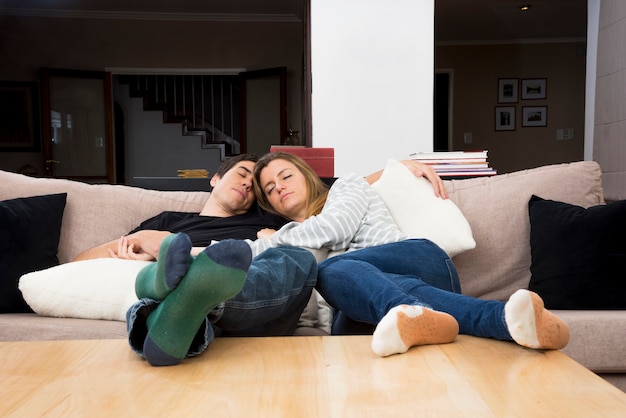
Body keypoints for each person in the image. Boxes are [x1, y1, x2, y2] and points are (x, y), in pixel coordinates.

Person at [251, 151, 570, 357]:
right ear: (269, 204)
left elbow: (335, 228)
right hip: (361, 315)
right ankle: (508, 322)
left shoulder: (345, 189)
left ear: (305, 176)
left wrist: (272, 239)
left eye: (285, 176)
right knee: (349, 329)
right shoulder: (291, 250)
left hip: (417, 261)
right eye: (269, 188)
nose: (278, 186)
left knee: (331, 269)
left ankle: (412, 311)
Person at [73, 154, 319, 366]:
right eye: (241, 174)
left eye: (255, 186)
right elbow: (78, 264)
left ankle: (179, 299)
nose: (247, 184)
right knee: (186, 287)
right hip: (192, 298)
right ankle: (180, 303)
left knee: (297, 259)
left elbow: (316, 226)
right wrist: (143, 239)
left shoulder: (263, 224)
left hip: (240, 299)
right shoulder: (167, 222)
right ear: (215, 179)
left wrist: (167, 249)